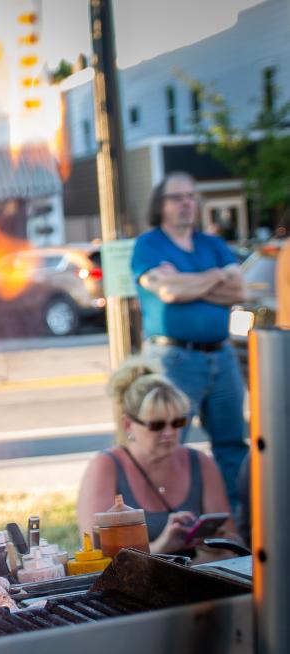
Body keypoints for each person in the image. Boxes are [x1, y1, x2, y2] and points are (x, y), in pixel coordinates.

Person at [131, 172, 247, 511]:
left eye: (191, 196)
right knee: (165, 442)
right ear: (160, 205)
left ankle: (233, 526)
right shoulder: (149, 244)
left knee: (231, 446)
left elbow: (238, 291)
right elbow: (168, 290)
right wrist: (216, 277)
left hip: (222, 357)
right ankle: (168, 526)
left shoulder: (212, 244)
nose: (187, 202)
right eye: (177, 197)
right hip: (174, 359)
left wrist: (187, 283)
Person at [77, 359, 239, 559]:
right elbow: (98, 557)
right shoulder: (106, 466)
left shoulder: (200, 462)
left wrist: (216, 542)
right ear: (128, 425)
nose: (170, 433)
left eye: (178, 422)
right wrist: (162, 546)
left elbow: (234, 544)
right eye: (157, 425)